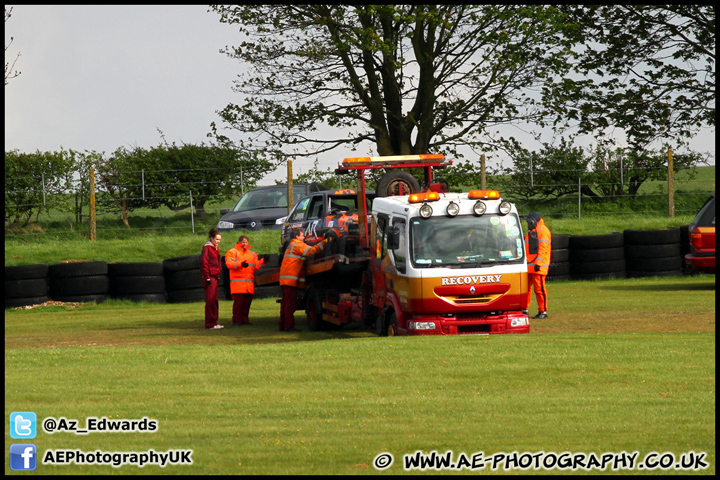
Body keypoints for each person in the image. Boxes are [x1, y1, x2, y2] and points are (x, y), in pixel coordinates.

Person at [279, 227, 331, 332]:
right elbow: (312, 251)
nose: (304, 237)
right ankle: (289, 327)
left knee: (285, 304)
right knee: (290, 304)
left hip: (286, 279)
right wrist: (325, 242)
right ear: (297, 236)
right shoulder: (298, 245)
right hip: (290, 280)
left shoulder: (292, 244)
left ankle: (283, 326)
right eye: (302, 235)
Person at [225, 235, 265, 326]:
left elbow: (256, 266)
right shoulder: (232, 252)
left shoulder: (252, 254)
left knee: (247, 303)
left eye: (246, 242)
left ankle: (244, 320)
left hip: (248, 284)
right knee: (239, 304)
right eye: (243, 242)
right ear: (238, 242)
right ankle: (236, 321)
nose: (244, 244)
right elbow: (229, 264)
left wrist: (263, 261)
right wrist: (240, 264)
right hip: (238, 284)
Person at [524, 212, 552, 319]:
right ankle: (524, 309)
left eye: (528, 221)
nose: (527, 224)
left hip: (538, 267)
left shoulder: (543, 231)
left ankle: (542, 311)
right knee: (526, 290)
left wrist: (538, 264)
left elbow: (543, 249)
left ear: (533, 221)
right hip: (529, 266)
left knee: (539, 290)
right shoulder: (532, 231)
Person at [201, 228, 224, 329]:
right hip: (209, 277)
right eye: (217, 239)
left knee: (215, 300)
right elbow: (204, 262)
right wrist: (207, 277)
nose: (218, 241)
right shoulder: (207, 248)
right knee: (210, 300)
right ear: (211, 238)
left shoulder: (216, 248)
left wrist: (217, 275)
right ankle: (209, 323)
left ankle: (214, 322)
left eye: (219, 239)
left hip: (214, 276)